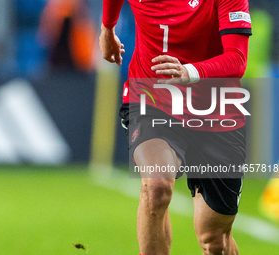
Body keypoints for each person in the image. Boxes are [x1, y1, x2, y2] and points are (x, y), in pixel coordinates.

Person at [99, 0, 252, 254]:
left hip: (216, 109)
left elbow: (237, 59)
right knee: (156, 186)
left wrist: (190, 71)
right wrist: (107, 28)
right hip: (152, 97)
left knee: (214, 240)